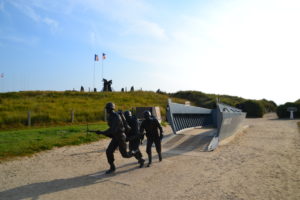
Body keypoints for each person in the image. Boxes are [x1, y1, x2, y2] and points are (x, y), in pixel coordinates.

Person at [95, 102, 133, 174]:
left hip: (121, 137)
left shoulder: (116, 116)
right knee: (109, 151)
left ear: (111, 109)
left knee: (125, 155)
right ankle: (112, 167)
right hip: (116, 137)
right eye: (106, 108)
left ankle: (135, 152)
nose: (106, 110)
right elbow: (111, 129)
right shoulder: (110, 116)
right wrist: (102, 132)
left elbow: (112, 129)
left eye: (107, 108)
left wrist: (101, 132)